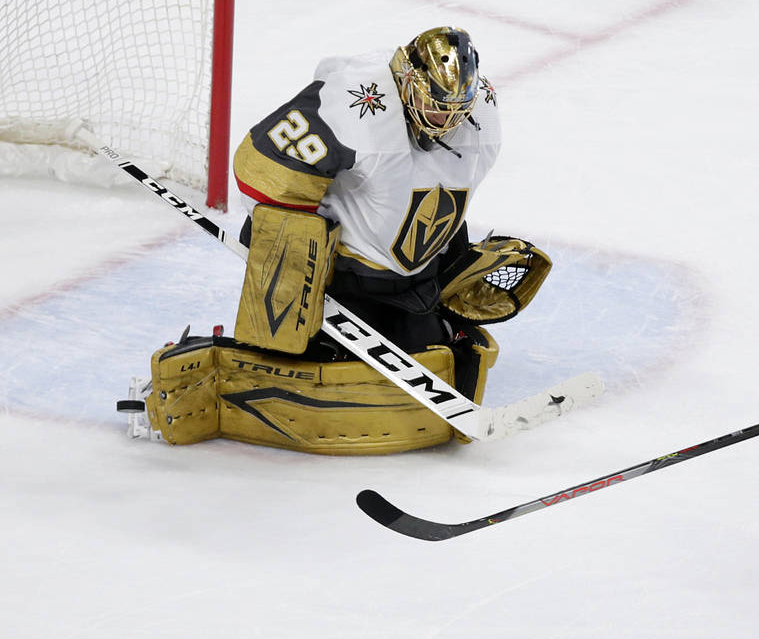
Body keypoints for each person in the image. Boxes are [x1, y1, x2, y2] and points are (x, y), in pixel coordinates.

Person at [127, 26, 551, 454]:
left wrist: (453, 257)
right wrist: (297, 252)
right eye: (433, 104)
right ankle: (208, 364)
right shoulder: (355, 104)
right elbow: (258, 167)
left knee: (435, 355)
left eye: (456, 107)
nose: (445, 119)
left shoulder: (482, 120)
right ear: (406, 82)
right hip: (340, 277)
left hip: (412, 283)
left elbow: (443, 195)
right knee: (320, 368)